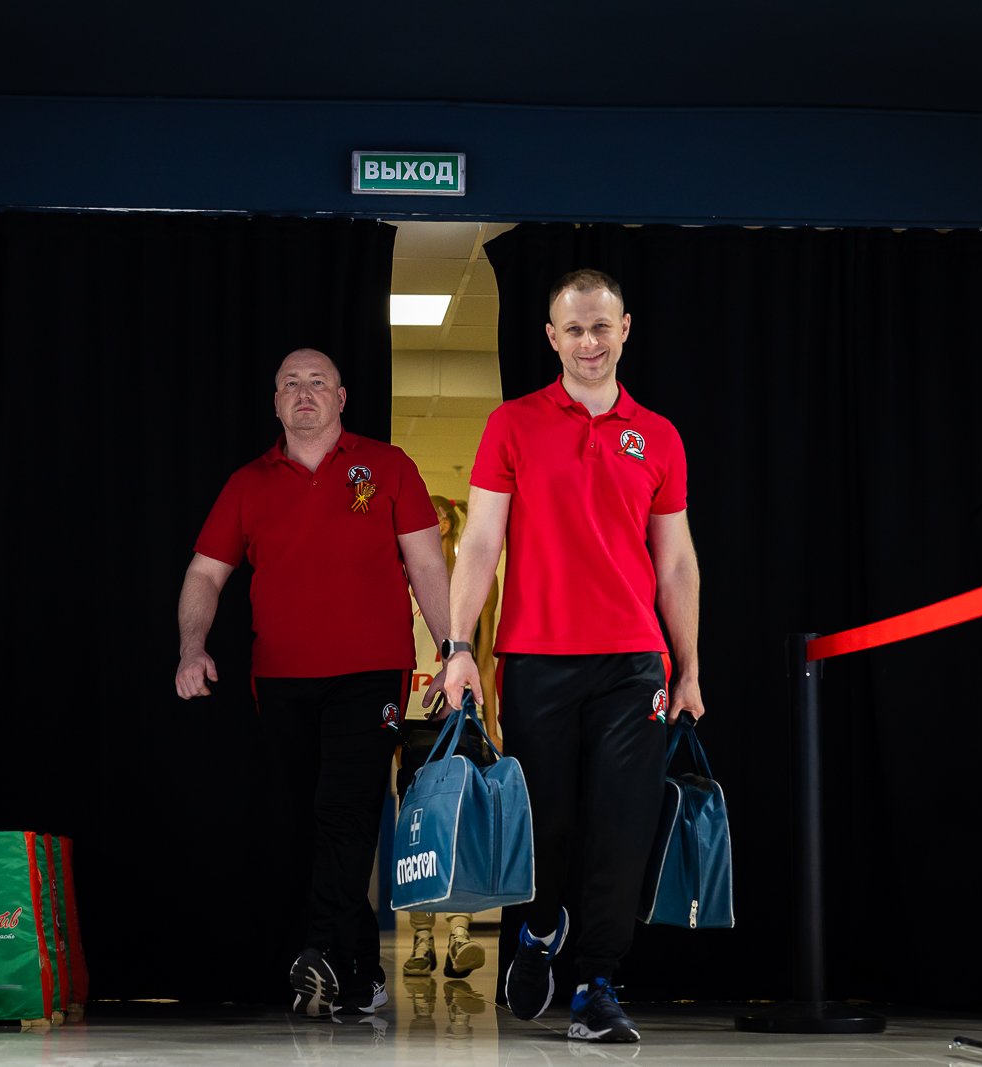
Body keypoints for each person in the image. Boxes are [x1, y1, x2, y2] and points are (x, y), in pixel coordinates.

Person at [441, 269, 704, 1044]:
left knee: (621, 828)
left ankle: (596, 982)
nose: (591, 342)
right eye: (576, 329)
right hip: (536, 658)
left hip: (633, 661)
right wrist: (459, 647)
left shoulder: (658, 435)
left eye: (602, 327)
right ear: (552, 338)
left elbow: (676, 562)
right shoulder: (512, 424)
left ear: (625, 330)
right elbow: (479, 541)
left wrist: (688, 667)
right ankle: (539, 928)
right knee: (546, 825)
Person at [176, 348, 452, 1019]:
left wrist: (455, 652)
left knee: (344, 809)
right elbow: (205, 573)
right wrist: (191, 646)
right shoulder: (249, 483)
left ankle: (321, 950)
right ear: (275, 402)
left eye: (318, 382)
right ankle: (357, 976)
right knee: (304, 823)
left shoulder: (388, 466)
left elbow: (426, 565)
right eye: (291, 384)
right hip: (280, 679)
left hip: (371, 672)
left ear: (341, 397)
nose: (305, 393)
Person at [397, 495, 500, 981]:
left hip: (460, 714)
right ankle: (421, 938)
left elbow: (485, 659)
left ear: (442, 522)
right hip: (413, 717)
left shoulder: (478, 579)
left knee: (461, 825)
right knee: (415, 828)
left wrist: (492, 724)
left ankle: (459, 935)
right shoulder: (401, 577)